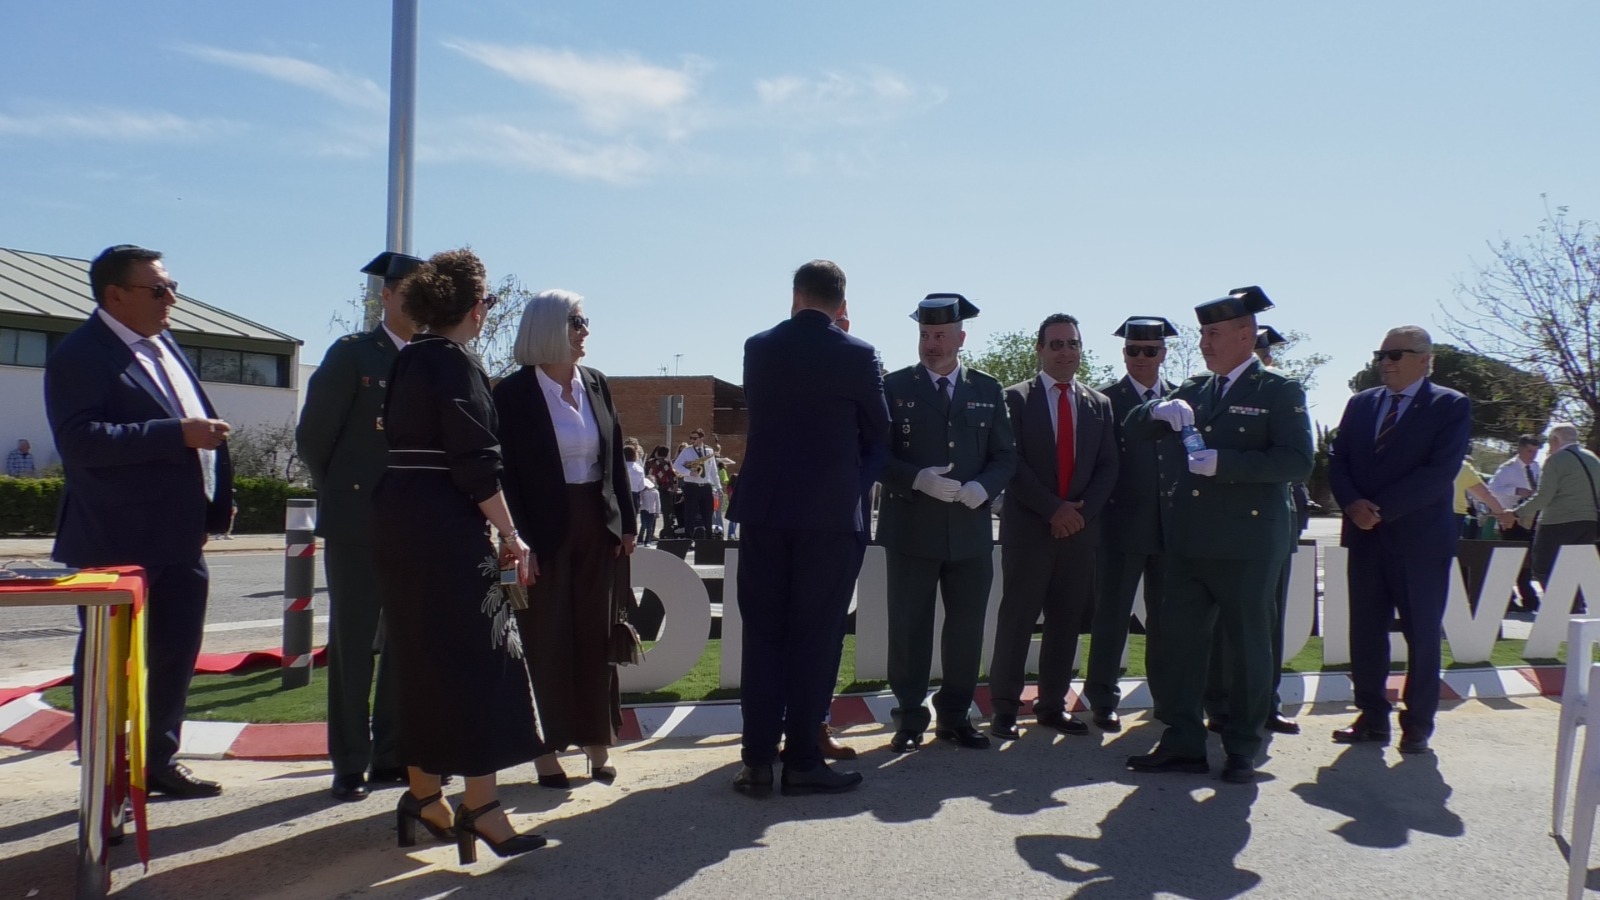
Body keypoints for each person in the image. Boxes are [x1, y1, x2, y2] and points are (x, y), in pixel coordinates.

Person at [373, 249, 545, 862]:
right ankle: (482, 805)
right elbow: (476, 462)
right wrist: (511, 534)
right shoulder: (455, 364)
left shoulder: (409, 359)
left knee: (421, 657)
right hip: (447, 526)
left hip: (400, 521)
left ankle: (425, 796)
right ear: (474, 308)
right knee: (484, 661)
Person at [45, 244, 234, 798]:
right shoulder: (80, 354)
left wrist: (215, 502)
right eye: (158, 289)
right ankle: (104, 783)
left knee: (175, 656)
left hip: (181, 539)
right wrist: (175, 433)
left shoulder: (164, 343)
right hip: (117, 542)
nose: (170, 298)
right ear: (115, 295)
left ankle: (158, 762)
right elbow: (81, 442)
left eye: (172, 287)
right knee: (110, 667)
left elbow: (199, 430)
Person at [1123, 285, 1312, 784]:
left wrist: (1226, 464)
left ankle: (1243, 746)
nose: (1204, 342)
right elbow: (1133, 427)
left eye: (1214, 333)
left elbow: (1297, 461)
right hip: (1190, 542)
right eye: (1203, 333)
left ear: (1246, 335)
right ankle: (1183, 739)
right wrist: (1154, 411)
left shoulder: (1280, 391)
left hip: (1248, 545)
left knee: (1248, 646)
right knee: (1179, 647)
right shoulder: (1195, 388)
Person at [727, 260, 888, 796]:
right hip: (829, 516)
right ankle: (802, 761)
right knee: (815, 635)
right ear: (842, 305)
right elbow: (879, 433)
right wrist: (852, 483)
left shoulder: (759, 347)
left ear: (795, 296)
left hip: (765, 510)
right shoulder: (859, 355)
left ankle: (755, 762)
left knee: (764, 635)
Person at [494, 289, 636, 788]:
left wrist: (628, 524)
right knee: (546, 638)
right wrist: (514, 538)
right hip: (538, 534)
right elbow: (504, 474)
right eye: (577, 321)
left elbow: (614, 458)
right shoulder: (510, 394)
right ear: (549, 327)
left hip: (597, 526)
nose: (585, 331)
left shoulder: (596, 384)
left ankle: (598, 745)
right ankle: (547, 752)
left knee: (597, 636)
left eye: (585, 321)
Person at [295, 250, 423, 802]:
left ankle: (391, 753)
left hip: (414, 524)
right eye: (408, 294)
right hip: (357, 522)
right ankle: (349, 759)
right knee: (352, 642)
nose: (417, 306)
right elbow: (313, 439)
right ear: (387, 296)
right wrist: (347, 492)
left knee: (404, 642)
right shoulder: (352, 355)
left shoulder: (429, 359)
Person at [878, 293, 1017, 754]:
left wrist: (986, 487)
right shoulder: (894, 387)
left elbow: (1005, 455)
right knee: (909, 628)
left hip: (970, 532)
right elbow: (877, 455)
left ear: (961, 337)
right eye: (924, 335)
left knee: (965, 629)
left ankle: (956, 717)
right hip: (912, 529)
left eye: (939, 335)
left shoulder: (987, 389)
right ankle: (910, 718)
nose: (930, 344)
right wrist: (915, 478)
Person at [1328, 326, 1471, 755]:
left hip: (1420, 543)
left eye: (1396, 354)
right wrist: (1353, 504)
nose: (1385, 363)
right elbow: (1339, 459)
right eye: (1381, 355)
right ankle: (1372, 717)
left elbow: (1438, 472)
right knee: (1366, 633)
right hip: (1364, 539)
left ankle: (1418, 725)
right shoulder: (1361, 403)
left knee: (1422, 635)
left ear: (1425, 358)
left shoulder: (1450, 405)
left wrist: (1381, 510)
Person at [988, 314, 1118, 741]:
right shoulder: (1014, 399)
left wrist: (1078, 515)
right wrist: (1054, 509)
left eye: (1073, 344)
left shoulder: (1099, 404)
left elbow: (1107, 466)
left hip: (1079, 534)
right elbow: (1012, 463)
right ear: (1040, 349)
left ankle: (1051, 705)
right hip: (1029, 530)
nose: (1065, 352)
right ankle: (1004, 709)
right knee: (1018, 621)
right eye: (1057, 344)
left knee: (1065, 622)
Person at [1204, 323, 1308, 737]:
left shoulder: (1279, 391)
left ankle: (1265, 703)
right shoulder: (1211, 389)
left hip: (1267, 527)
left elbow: (1295, 461)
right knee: (1222, 627)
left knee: (1264, 622)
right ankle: (1220, 704)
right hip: (1219, 528)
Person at [1084, 316, 1179, 732]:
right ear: (1123, 354)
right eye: (1133, 350)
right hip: (1120, 525)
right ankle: (1103, 698)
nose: (1141, 358)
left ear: (1163, 353)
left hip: (1170, 529)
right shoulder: (1104, 400)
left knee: (1167, 620)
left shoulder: (1183, 398)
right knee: (1111, 617)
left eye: (1150, 350)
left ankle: (1167, 697)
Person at [1502, 423, 1600, 613]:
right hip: (1589, 522)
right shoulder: (1593, 459)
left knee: (1541, 565)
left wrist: (1515, 513)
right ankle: (1576, 608)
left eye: (1549, 442)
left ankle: (1562, 608)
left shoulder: (1556, 460)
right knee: (1575, 567)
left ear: (1556, 440)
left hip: (1557, 522)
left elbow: (1543, 497)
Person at [1489, 434, 1546, 611]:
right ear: (1520, 449)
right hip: (1511, 521)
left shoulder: (1537, 468)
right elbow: (1492, 489)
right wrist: (1516, 490)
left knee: (1526, 563)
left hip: (1530, 521)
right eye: (1529, 451)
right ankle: (1517, 599)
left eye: (1536, 452)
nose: (1533, 455)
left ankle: (1526, 599)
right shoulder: (1508, 468)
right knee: (1513, 563)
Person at [674, 429, 720, 538]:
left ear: (701, 438)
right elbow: (676, 465)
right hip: (691, 486)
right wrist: (689, 472)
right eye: (691, 438)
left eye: (695, 438)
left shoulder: (709, 451)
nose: (692, 440)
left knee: (708, 514)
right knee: (690, 514)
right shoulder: (687, 451)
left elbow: (714, 470)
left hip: (706, 487)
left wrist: (718, 487)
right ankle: (688, 538)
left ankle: (708, 538)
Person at [639, 478, 661, 544]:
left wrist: (657, 512)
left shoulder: (655, 492)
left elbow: (657, 503)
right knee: (643, 525)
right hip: (644, 510)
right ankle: (640, 540)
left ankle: (647, 541)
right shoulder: (643, 491)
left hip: (652, 511)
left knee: (650, 527)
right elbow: (640, 500)